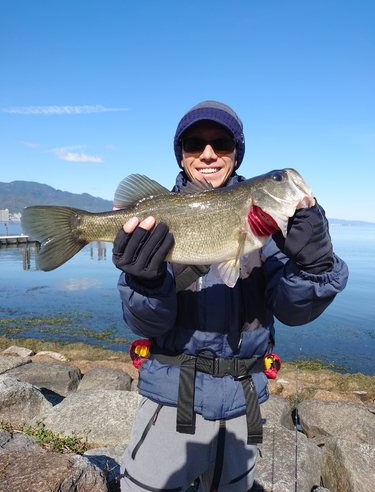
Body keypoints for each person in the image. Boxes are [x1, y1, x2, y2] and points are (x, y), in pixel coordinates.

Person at [112, 101, 349, 492]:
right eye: (194, 144)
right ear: (182, 153)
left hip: (243, 408)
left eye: (221, 143)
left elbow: (292, 311)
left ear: (236, 152)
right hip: (168, 403)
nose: (208, 154)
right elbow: (145, 323)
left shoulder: (268, 233)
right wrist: (146, 283)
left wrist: (317, 266)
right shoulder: (154, 224)